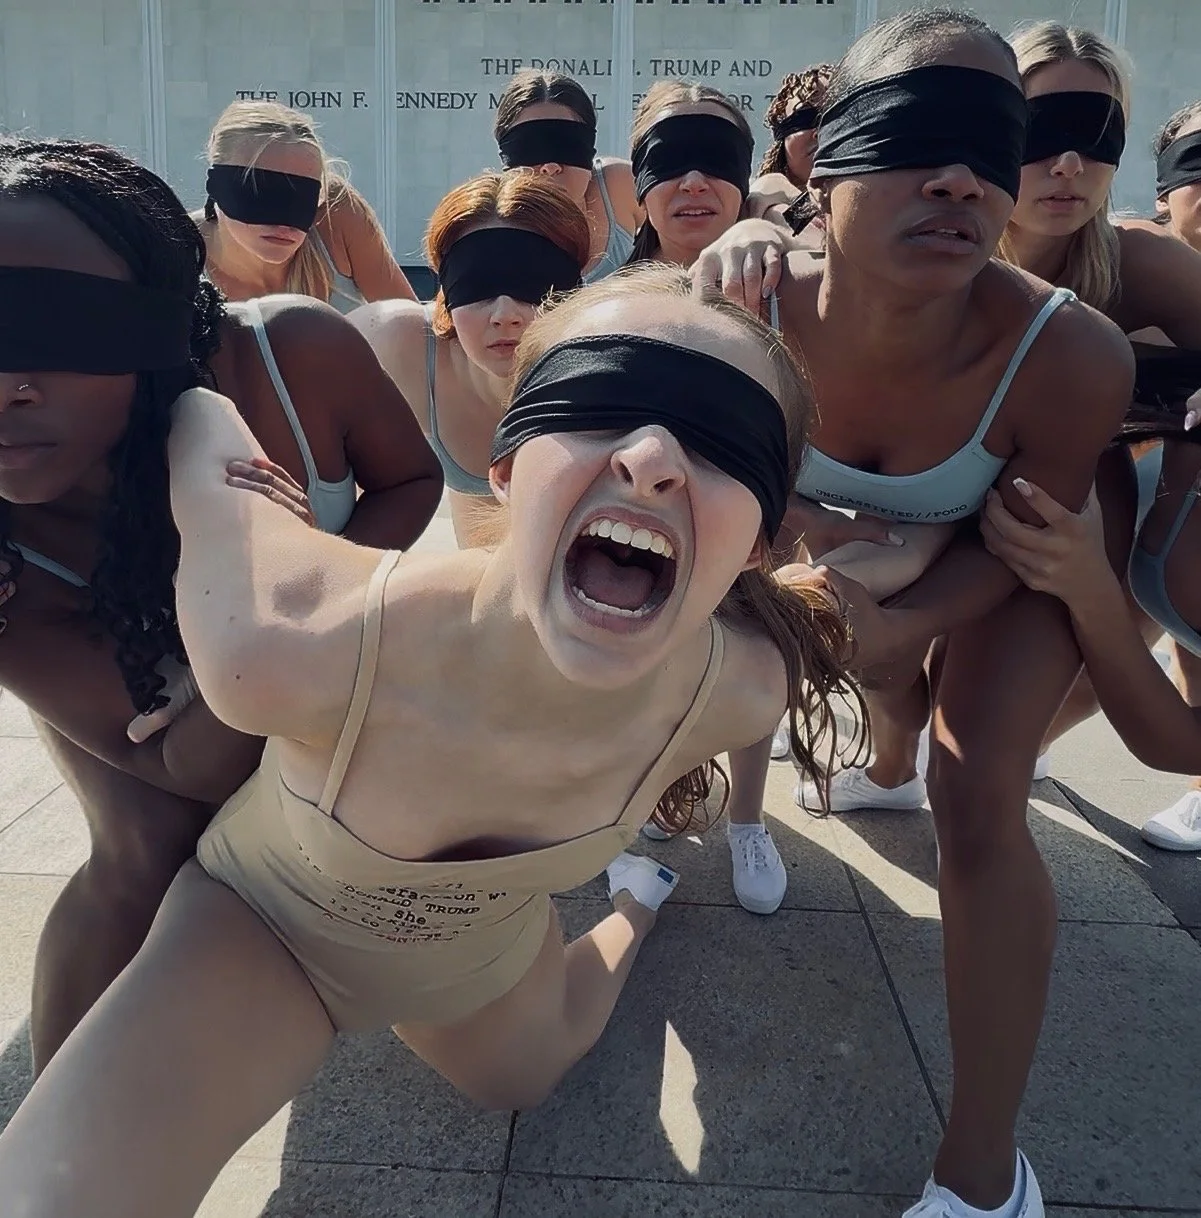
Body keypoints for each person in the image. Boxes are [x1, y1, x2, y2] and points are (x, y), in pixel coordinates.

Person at [0, 263, 865, 1218]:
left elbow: (856, 596)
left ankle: (636, 907)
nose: (652, 454)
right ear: (503, 466)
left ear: (755, 541)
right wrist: (195, 404)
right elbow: (206, 438)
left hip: (480, 946)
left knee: (522, 1081)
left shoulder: (740, 691)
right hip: (265, 935)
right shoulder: (287, 648)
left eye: (720, 441)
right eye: (598, 403)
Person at [701, 9, 1134, 1215]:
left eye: (992, 147)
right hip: (812, 552)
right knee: (878, 708)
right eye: (914, 138)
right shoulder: (740, 306)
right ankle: (879, 743)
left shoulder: (1071, 354)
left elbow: (1021, 542)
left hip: (999, 555)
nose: (956, 176)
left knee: (976, 794)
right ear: (823, 162)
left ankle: (989, 1171)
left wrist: (902, 610)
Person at [0, 136, 442, 1072]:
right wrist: (256, 656)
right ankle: (52, 1130)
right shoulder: (12, 568)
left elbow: (408, 481)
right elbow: (190, 772)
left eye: (57, 329)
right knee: (147, 844)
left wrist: (313, 581)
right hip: (135, 670)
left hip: (315, 626)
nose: (9, 385)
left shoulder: (292, 355)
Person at [997, 24, 1201, 846]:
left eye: (1095, 134)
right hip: (929, 514)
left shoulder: (1142, 263)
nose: (1069, 164)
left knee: (989, 760)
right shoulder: (930, 252)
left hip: (1085, 517)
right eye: (1042, 133)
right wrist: (748, 234)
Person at [351, 172, 589, 547]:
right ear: (446, 291)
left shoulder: (606, 358)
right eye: (478, 285)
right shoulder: (397, 343)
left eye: (534, 285)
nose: (504, 314)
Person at [195, 100, 416, 311]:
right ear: (216, 185)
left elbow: (414, 331)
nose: (284, 224)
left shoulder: (334, 213)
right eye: (259, 191)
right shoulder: (178, 253)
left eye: (302, 198)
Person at [493, 69, 639, 284]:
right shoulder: (489, 221)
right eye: (530, 149)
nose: (550, 167)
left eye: (567, 146)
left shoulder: (619, 187)